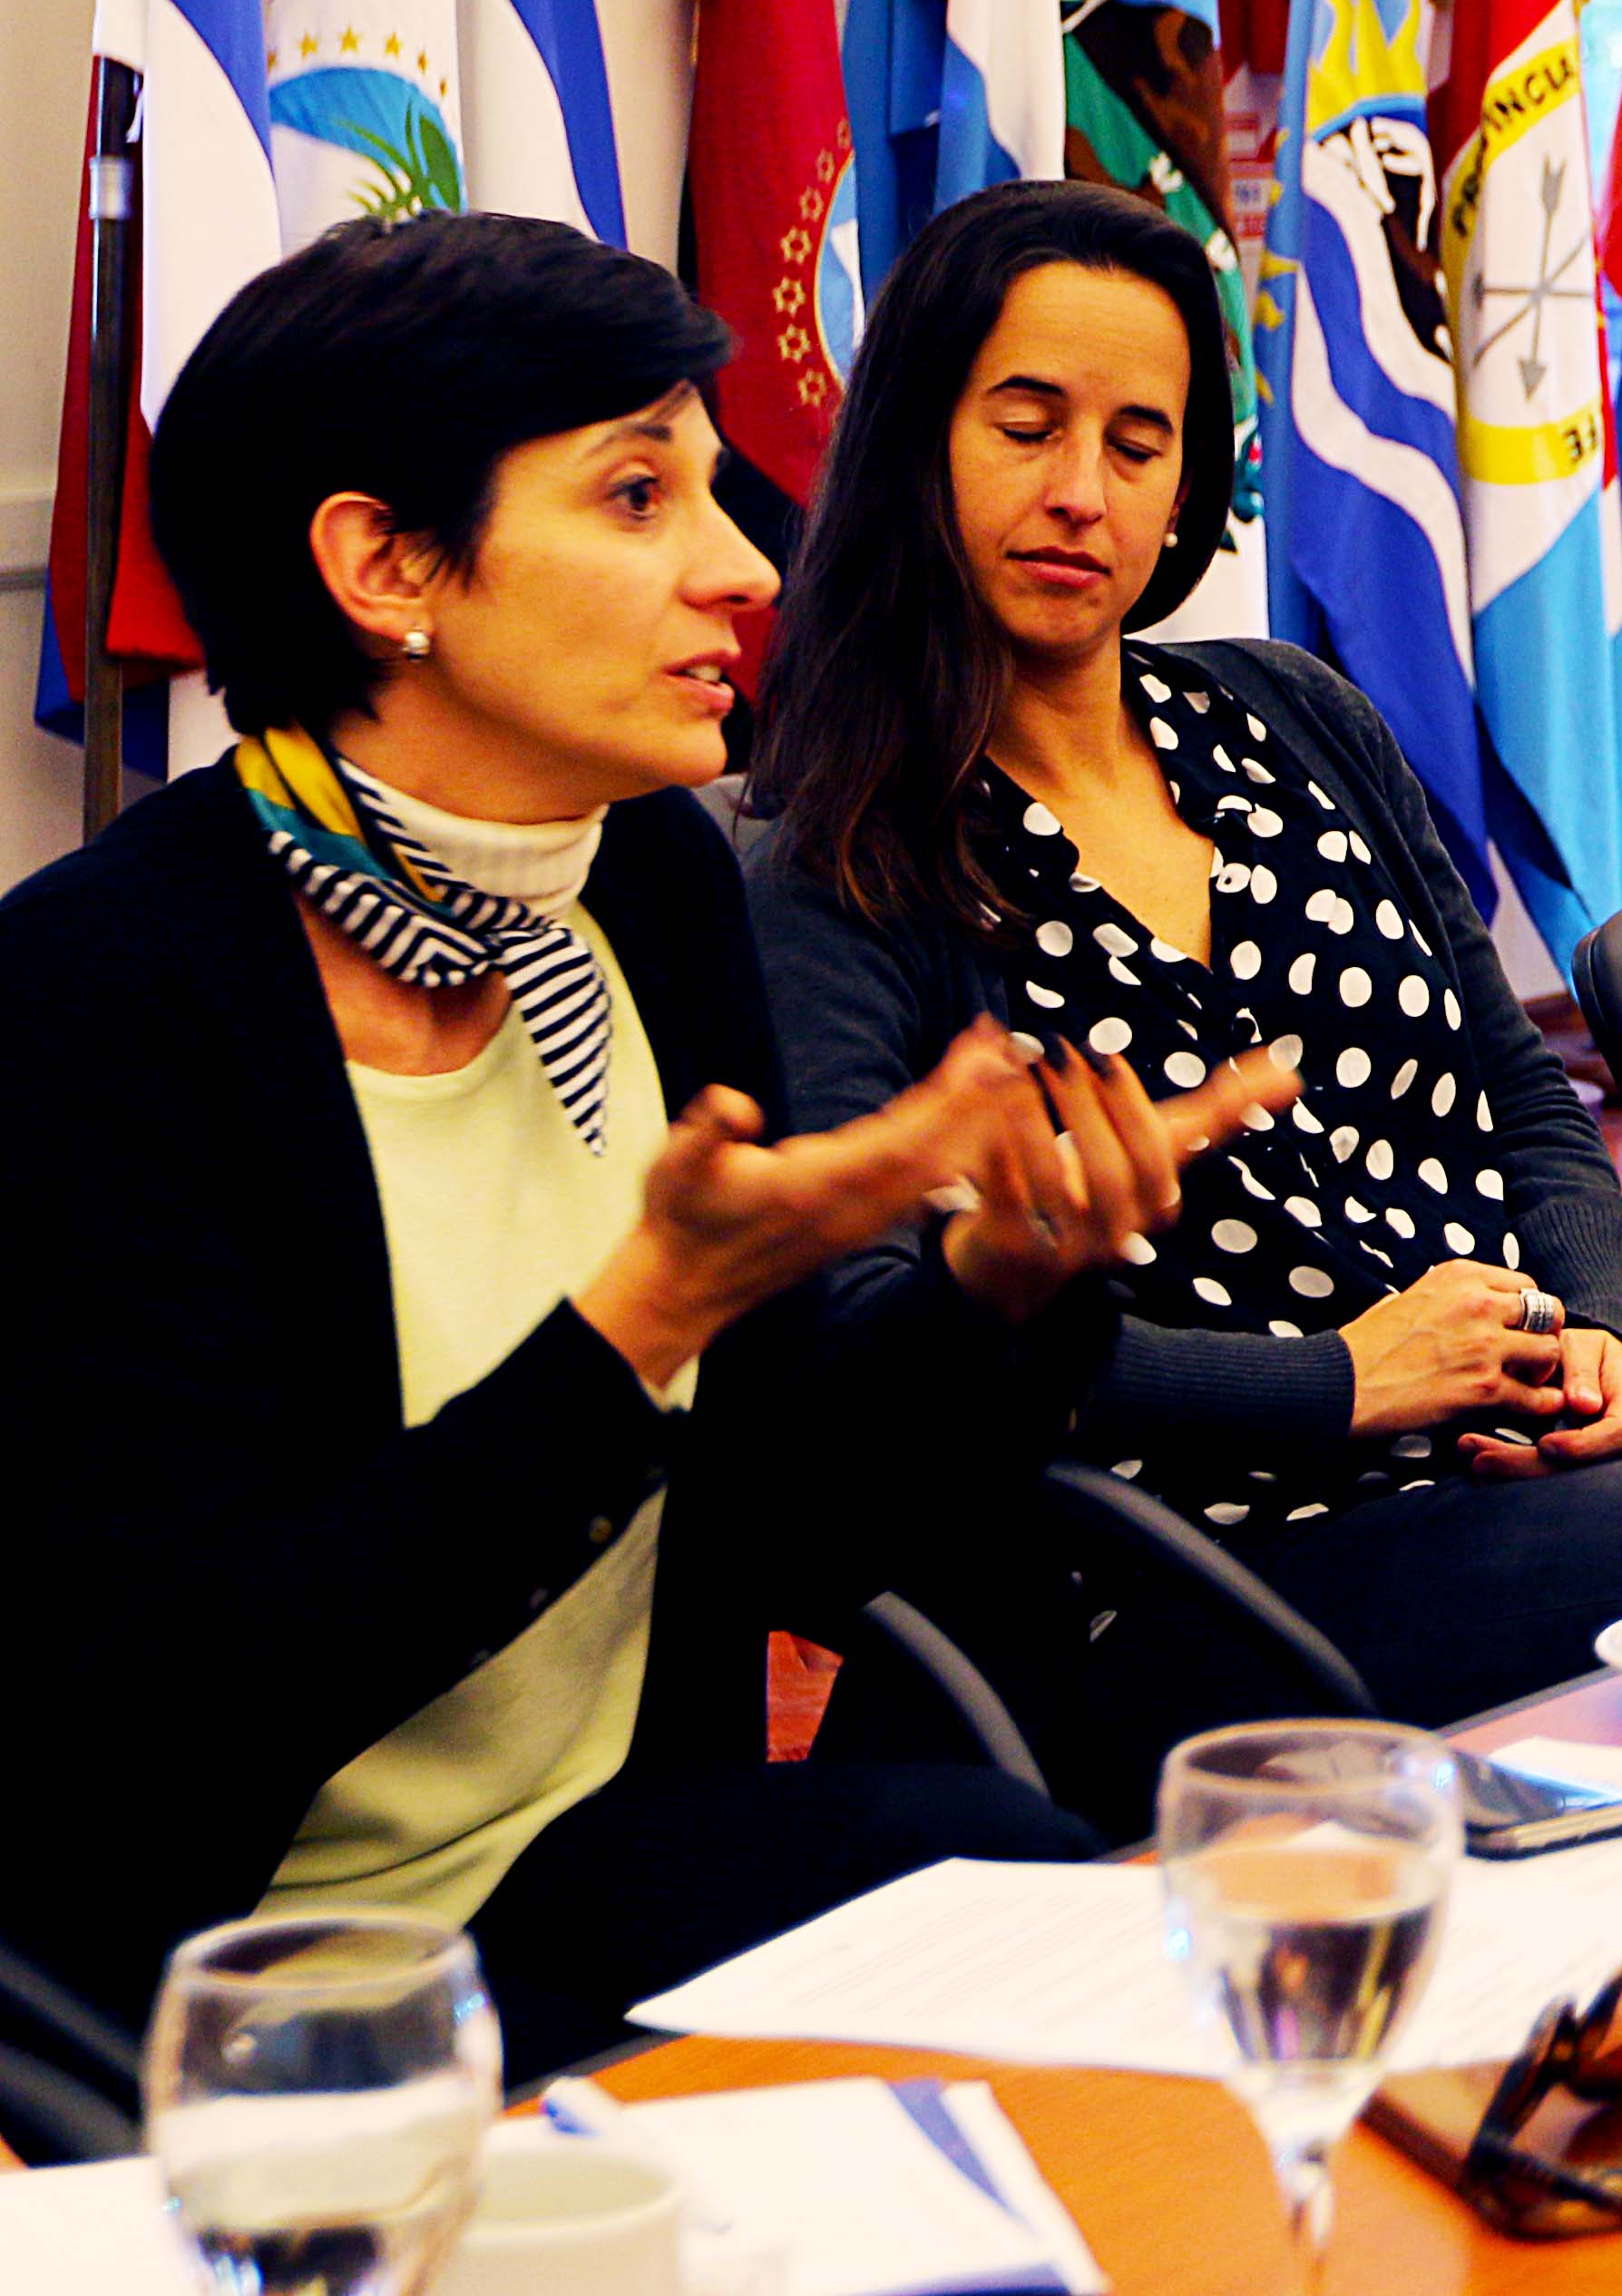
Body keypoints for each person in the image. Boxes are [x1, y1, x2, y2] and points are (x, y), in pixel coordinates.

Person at [0, 214, 1262, 2056]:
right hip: (240, 1974)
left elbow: (776, 1533)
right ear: (384, 563)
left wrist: (1001, 1291)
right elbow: (172, 1715)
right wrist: (632, 1334)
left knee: (1052, 1922)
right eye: (636, 496)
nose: (744, 566)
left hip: (583, 1869)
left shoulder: (646, 885)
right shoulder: (102, 1002)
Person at [748, 182, 1622, 1763]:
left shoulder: (1285, 714)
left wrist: (1608, 1339)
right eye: (1025, 426)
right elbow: (872, 1351)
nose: (1083, 492)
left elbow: (1527, 1098)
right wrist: (1342, 1378)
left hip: (1516, 1471)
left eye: (1138, 444)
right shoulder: (843, 848)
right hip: (1187, 1571)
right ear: (918, 439)